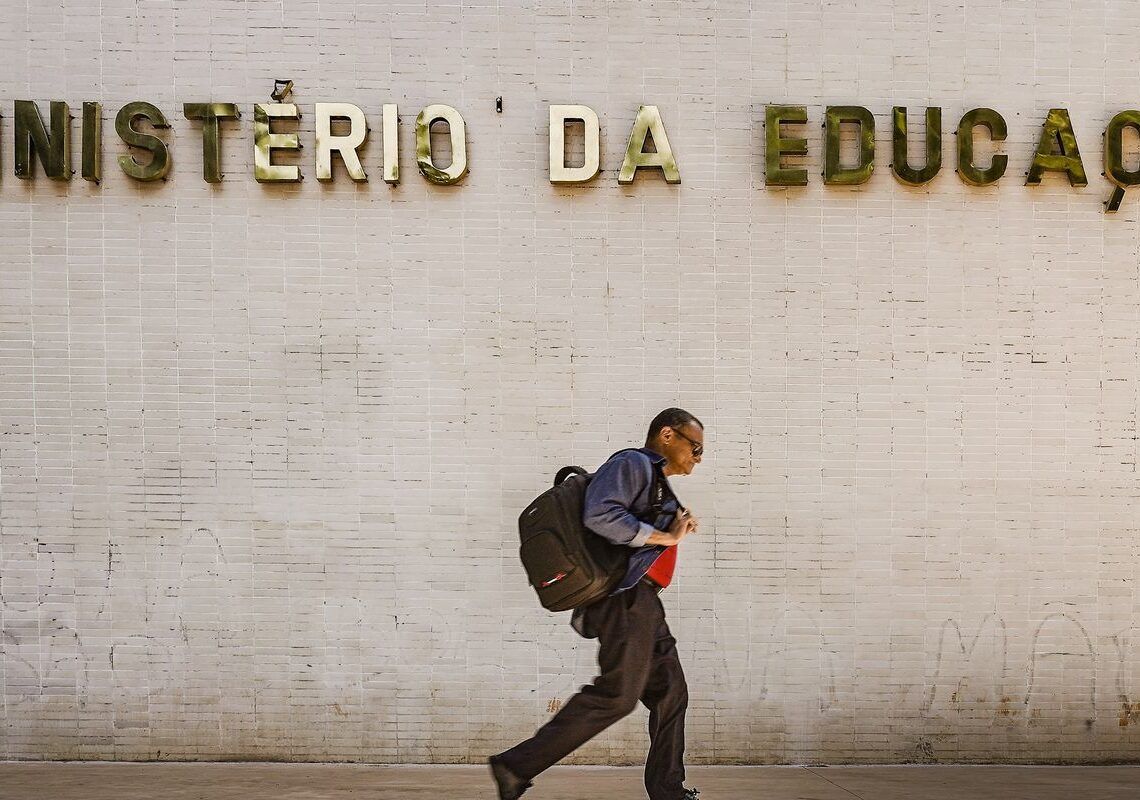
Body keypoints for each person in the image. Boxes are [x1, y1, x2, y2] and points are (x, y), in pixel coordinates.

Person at [490, 408, 705, 800]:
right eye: (696, 447)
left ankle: (668, 790)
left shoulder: (653, 480)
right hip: (624, 601)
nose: (698, 458)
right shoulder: (633, 463)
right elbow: (600, 515)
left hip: (645, 603)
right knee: (616, 695)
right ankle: (516, 765)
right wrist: (666, 538)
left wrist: (676, 526)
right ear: (668, 436)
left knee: (672, 692)